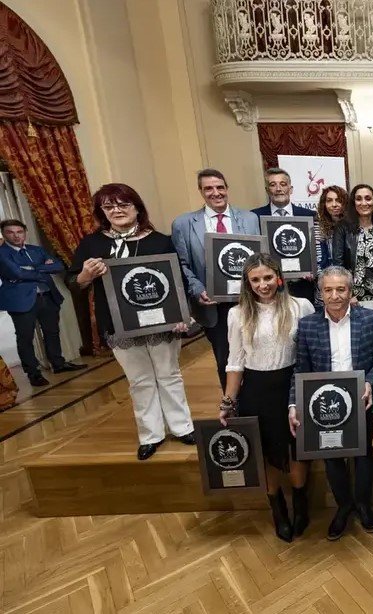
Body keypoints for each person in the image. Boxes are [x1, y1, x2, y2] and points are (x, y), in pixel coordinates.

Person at [68, 183, 195, 460]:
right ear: (101, 211)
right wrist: (86, 275)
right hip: (119, 325)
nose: (117, 210)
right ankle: (151, 434)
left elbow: (178, 283)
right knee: (139, 380)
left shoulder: (160, 240)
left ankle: (182, 427)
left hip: (162, 325)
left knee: (169, 374)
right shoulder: (92, 244)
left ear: (137, 207)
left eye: (123, 204)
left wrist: (182, 316)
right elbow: (74, 285)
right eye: (109, 206)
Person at [220, 253, 315, 543]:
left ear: (279, 277)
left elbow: (312, 349)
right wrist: (228, 402)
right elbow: (235, 362)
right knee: (268, 454)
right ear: (247, 284)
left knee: (299, 447)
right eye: (255, 280)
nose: (263, 285)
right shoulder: (237, 314)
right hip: (257, 389)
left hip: (292, 383)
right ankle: (278, 509)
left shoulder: (301, 306)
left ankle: (301, 503)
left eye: (267, 277)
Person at [288, 266, 373, 540]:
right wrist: (294, 404)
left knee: (363, 452)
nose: (335, 295)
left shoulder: (371, 319)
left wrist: (370, 381)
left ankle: (364, 504)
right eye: (328, 290)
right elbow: (301, 369)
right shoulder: (307, 325)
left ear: (350, 291)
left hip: (360, 398)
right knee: (331, 456)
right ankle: (344, 506)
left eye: (341, 289)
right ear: (320, 293)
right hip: (324, 402)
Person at [172, 168, 261, 388]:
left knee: (256, 355)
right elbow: (180, 264)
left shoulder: (250, 219)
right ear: (200, 191)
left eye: (220, 187)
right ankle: (233, 408)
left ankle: (254, 407)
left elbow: (261, 257)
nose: (216, 193)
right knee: (226, 360)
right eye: (209, 188)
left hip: (250, 301)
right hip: (214, 305)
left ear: (227, 188)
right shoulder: (184, 224)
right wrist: (197, 288)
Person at [0, 219, 84, 386]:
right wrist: (41, 268)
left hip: (47, 296)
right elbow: (18, 274)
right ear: (4, 234)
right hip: (20, 301)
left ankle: (58, 364)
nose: (16, 236)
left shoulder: (36, 250)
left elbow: (58, 266)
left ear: (25, 233)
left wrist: (32, 268)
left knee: (52, 331)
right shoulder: (1, 253)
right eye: (11, 232)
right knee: (25, 337)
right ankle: (33, 373)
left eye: (19, 232)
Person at [252, 167, 317, 301]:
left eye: (283, 184)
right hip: (269, 288)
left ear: (290, 189)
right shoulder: (254, 216)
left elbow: (316, 249)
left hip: (303, 285)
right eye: (272, 184)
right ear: (267, 190)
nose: (278, 189)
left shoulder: (309, 215)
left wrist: (312, 269)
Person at [332, 184, 373, 312]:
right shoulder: (342, 227)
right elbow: (338, 264)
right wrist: (349, 294)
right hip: (352, 298)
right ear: (353, 203)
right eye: (359, 199)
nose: (364, 203)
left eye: (368, 198)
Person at [316, 185, 348, 271]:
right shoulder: (319, 227)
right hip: (327, 276)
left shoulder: (353, 226)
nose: (334, 205)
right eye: (329, 201)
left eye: (338, 200)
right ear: (324, 204)